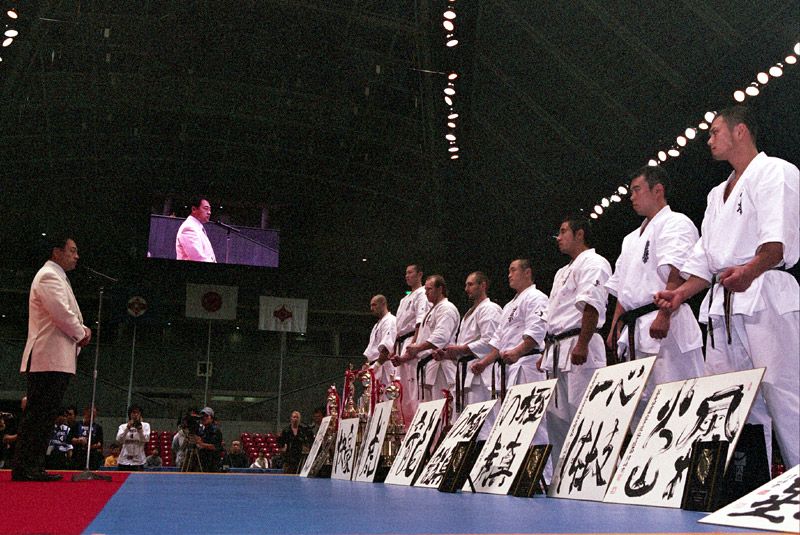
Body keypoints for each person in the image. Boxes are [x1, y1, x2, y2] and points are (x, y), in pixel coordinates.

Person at [655, 106, 799, 468]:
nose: (709, 139)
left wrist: (749, 271)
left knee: (784, 396)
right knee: (731, 402)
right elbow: (705, 258)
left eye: (715, 131)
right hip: (723, 307)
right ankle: (750, 488)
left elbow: (776, 242)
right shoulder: (716, 193)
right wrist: (680, 294)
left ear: (741, 132)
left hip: (765, 294)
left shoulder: (775, 171)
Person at [606, 166, 705, 429]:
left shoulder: (677, 222)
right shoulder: (629, 239)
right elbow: (621, 289)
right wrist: (615, 326)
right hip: (634, 330)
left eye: (637, 190)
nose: (632, 196)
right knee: (641, 414)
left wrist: (664, 314)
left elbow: (678, 271)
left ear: (657, 190)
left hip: (665, 325)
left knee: (678, 406)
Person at [13, 235, 92, 482]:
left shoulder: (58, 276)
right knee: (39, 414)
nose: (76, 256)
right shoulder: (49, 275)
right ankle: (27, 467)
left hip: (55, 357)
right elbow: (61, 313)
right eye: (72, 250)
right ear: (56, 252)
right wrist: (81, 333)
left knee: (44, 415)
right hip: (48, 357)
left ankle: (30, 465)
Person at [539, 215, 612, 464]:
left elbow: (592, 304)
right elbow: (553, 316)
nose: (558, 238)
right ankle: (562, 476)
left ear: (579, 234)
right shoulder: (562, 272)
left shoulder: (594, 262)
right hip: (557, 349)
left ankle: (591, 473)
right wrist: (544, 352)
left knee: (585, 413)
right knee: (557, 418)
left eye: (563, 232)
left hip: (581, 345)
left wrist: (582, 342)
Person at [470, 259, 550, 448]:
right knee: (510, 424)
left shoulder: (536, 297)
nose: (509, 274)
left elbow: (537, 330)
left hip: (527, 366)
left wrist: (517, 351)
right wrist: (484, 362)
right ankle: (516, 472)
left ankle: (539, 475)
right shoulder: (508, 306)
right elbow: (499, 343)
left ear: (527, 272)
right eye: (508, 271)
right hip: (508, 369)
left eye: (513, 270)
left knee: (532, 422)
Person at [435, 272, 501, 413]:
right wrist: (447, 355)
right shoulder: (470, 312)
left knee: (482, 420)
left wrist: (460, 349)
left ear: (482, 285)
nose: (466, 289)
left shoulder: (489, 309)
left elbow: (490, 342)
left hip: (482, 374)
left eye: (470, 284)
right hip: (465, 373)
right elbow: (465, 347)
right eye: (466, 285)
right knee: (465, 420)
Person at [397, 275, 460, 402]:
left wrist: (418, 347)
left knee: (443, 411)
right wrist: (405, 357)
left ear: (440, 288)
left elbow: (440, 337)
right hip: (428, 366)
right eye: (425, 290)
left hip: (441, 366)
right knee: (428, 411)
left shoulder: (446, 308)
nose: (426, 293)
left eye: (429, 289)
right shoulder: (432, 310)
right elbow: (422, 339)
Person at [389, 264, 430, 424]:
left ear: (420, 274)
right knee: (401, 390)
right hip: (400, 342)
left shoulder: (422, 294)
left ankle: (416, 426)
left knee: (414, 390)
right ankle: (403, 428)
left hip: (412, 340)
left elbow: (420, 321)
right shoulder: (404, 298)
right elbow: (398, 328)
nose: (407, 276)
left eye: (410, 272)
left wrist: (413, 345)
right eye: (406, 273)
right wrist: (393, 348)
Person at [363, 295, 397, 395]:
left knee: (387, 400)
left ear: (383, 304)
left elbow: (387, 346)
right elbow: (371, 350)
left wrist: (376, 365)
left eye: (374, 305)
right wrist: (367, 365)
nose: (371, 308)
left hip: (384, 366)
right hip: (375, 366)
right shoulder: (377, 324)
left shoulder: (390, 321)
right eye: (371, 305)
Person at [175, 196, 216, 262]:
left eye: (210, 209)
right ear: (194, 209)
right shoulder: (188, 228)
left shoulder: (197, 227)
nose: (209, 212)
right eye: (206, 208)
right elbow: (198, 258)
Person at [116, 404, 151, 470]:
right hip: (124, 461)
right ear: (130, 414)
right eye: (134, 412)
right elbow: (119, 439)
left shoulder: (145, 426)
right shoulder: (123, 426)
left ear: (140, 414)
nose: (136, 415)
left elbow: (146, 439)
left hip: (139, 461)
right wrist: (127, 429)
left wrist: (140, 430)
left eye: (138, 413)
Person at [70, 405, 105, 470]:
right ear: (85, 413)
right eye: (90, 416)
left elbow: (100, 443)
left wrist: (90, 446)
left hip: (92, 457)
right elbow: (70, 439)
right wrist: (79, 440)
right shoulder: (76, 425)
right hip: (77, 456)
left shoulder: (98, 427)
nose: (91, 418)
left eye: (94, 416)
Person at [194, 407, 223, 472]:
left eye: (206, 416)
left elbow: (215, 446)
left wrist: (201, 444)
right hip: (204, 461)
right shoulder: (203, 430)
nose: (204, 418)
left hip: (212, 463)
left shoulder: (216, 430)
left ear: (211, 418)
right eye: (203, 416)